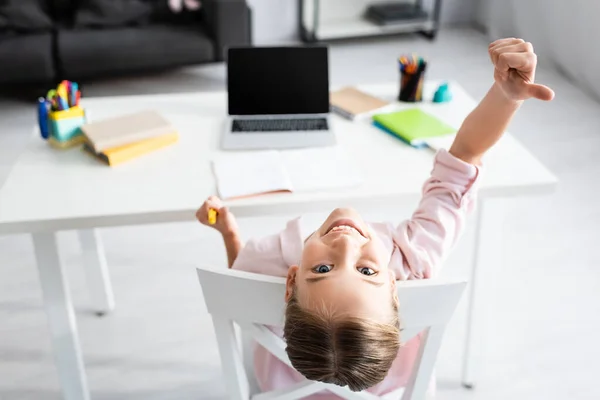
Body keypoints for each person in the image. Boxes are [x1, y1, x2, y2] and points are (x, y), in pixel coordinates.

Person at [196, 38, 554, 396]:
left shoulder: (267, 260)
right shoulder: (413, 260)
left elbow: (238, 282)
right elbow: (466, 157)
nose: (346, 245)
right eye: (366, 271)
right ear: (395, 291)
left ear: (290, 286)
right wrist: (506, 98)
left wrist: (229, 231)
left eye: (322, 270)